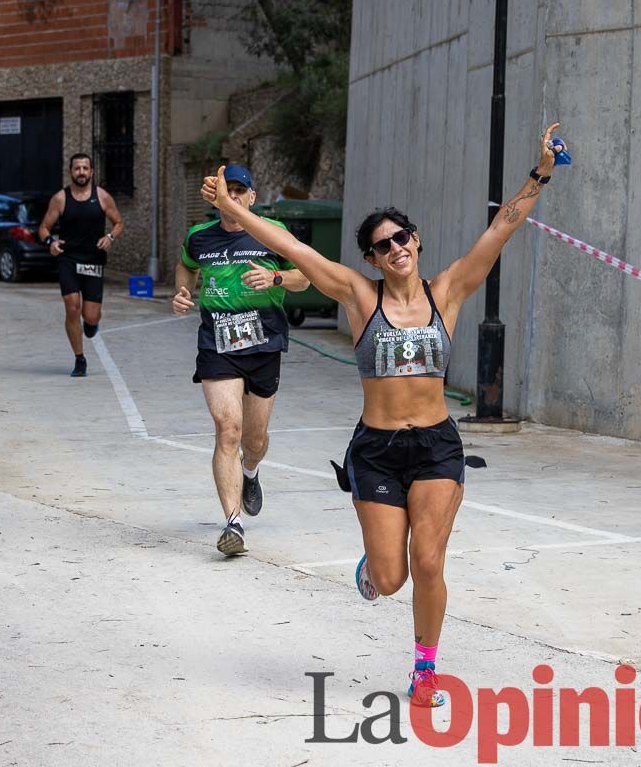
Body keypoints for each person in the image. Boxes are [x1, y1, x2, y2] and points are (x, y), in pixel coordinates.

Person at [201, 125, 564, 707]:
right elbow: (294, 250)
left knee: (428, 560)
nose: (395, 248)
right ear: (371, 257)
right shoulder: (358, 295)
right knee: (391, 578)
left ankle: (425, 670)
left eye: (402, 237)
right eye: (381, 244)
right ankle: (373, 563)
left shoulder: (447, 292)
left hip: (438, 448)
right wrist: (231, 210)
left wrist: (541, 170)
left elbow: (503, 227)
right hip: (376, 450)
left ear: (416, 241)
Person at [173, 164, 310, 556]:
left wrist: (276, 279)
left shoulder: (273, 234)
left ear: (252, 197)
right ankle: (233, 524)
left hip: (264, 344)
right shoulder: (200, 237)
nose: (232, 196)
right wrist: (184, 290)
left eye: (240, 190)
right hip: (217, 343)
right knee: (228, 428)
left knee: (254, 439)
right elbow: (186, 265)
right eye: (226, 190)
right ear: (216, 197)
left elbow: (306, 276)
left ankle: (251, 471)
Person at [37, 153, 124, 377]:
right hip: (68, 259)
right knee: (72, 306)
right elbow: (43, 228)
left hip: (93, 260)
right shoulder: (60, 199)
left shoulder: (102, 197)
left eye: (85, 168)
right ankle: (79, 359)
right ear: (71, 172)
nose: (81, 172)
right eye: (77, 168)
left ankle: (91, 324)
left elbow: (118, 223)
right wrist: (50, 242)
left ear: (92, 172)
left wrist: (110, 238)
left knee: (91, 316)